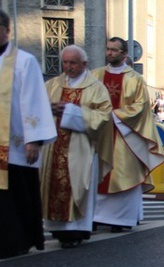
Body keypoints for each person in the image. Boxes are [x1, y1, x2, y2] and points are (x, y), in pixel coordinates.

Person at [40, 45, 112, 248]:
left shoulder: (96, 88)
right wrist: (49, 109)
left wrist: (71, 111)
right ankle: (58, 228)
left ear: (84, 64)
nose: (68, 67)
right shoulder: (52, 85)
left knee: (78, 184)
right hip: (53, 146)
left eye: (73, 63)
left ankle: (77, 229)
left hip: (81, 146)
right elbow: (38, 109)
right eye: (65, 62)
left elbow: (104, 117)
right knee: (54, 183)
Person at [0, 10, 57, 258]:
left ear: (7, 30)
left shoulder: (24, 61)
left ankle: (19, 241)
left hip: (15, 143)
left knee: (17, 193)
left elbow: (34, 100)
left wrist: (34, 140)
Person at [92, 37, 164, 233]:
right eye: (108, 49)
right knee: (97, 174)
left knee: (123, 173)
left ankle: (120, 218)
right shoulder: (95, 76)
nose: (109, 53)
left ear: (124, 54)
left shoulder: (135, 79)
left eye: (114, 50)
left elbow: (141, 107)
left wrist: (114, 116)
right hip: (99, 134)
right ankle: (95, 216)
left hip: (125, 136)